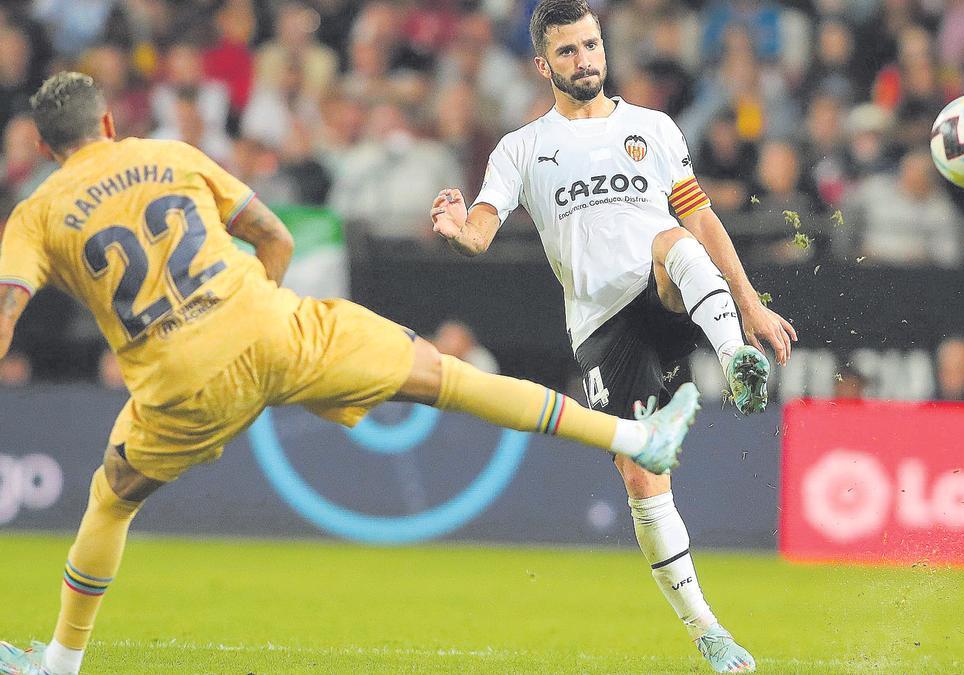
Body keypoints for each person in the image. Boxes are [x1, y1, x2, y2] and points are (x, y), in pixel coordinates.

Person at [0, 72, 702, 675]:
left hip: (177, 381)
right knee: (445, 377)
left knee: (112, 501)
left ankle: (59, 663)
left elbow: (6, 315)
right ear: (109, 123)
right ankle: (635, 438)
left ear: (45, 148)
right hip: (275, 328)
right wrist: (260, 336)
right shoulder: (167, 155)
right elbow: (274, 236)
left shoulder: (34, 216)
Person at [429, 2, 796, 671]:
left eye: (592, 45)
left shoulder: (653, 128)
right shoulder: (521, 149)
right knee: (642, 474)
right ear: (543, 65)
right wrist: (458, 230)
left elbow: (703, 221)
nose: (585, 61)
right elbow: (480, 231)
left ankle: (735, 360)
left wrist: (751, 305)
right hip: (601, 327)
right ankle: (709, 631)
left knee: (672, 239)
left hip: (663, 288)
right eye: (568, 52)